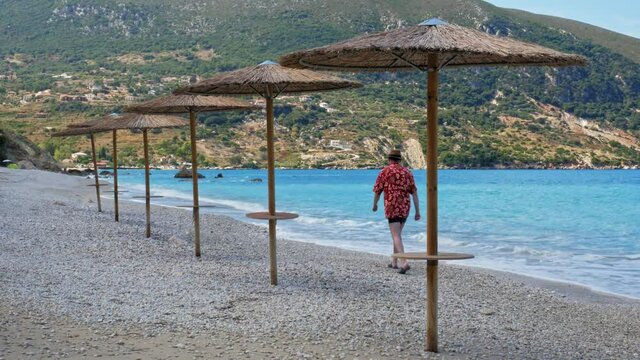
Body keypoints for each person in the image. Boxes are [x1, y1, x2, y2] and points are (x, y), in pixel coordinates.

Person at [372, 150, 420, 274]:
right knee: (397, 234)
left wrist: (375, 204)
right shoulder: (407, 172)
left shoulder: (385, 171)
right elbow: (414, 192)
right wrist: (417, 211)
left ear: (389, 159)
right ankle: (394, 262)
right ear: (400, 160)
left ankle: (404, 262)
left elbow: (378, 190)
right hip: (405, 206)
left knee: (396, 235)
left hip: (392, 205)